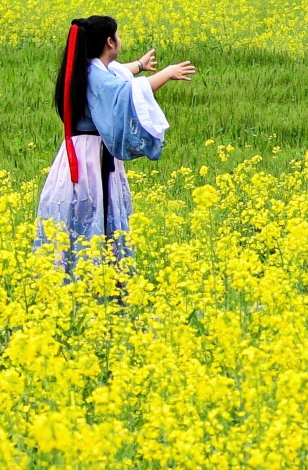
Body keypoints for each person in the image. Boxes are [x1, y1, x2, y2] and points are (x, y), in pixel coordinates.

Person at [37, 14, 195, 275]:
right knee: (94, 215)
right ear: (110, 42)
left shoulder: (84, 68)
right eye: (118, 36)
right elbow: (124, 94)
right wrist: (167, 74)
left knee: (80, 217)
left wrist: (139, 66)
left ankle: (79, 281)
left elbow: (116, 74)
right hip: (91, 159)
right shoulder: (97, 78)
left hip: (77, 153)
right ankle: (95, 281)